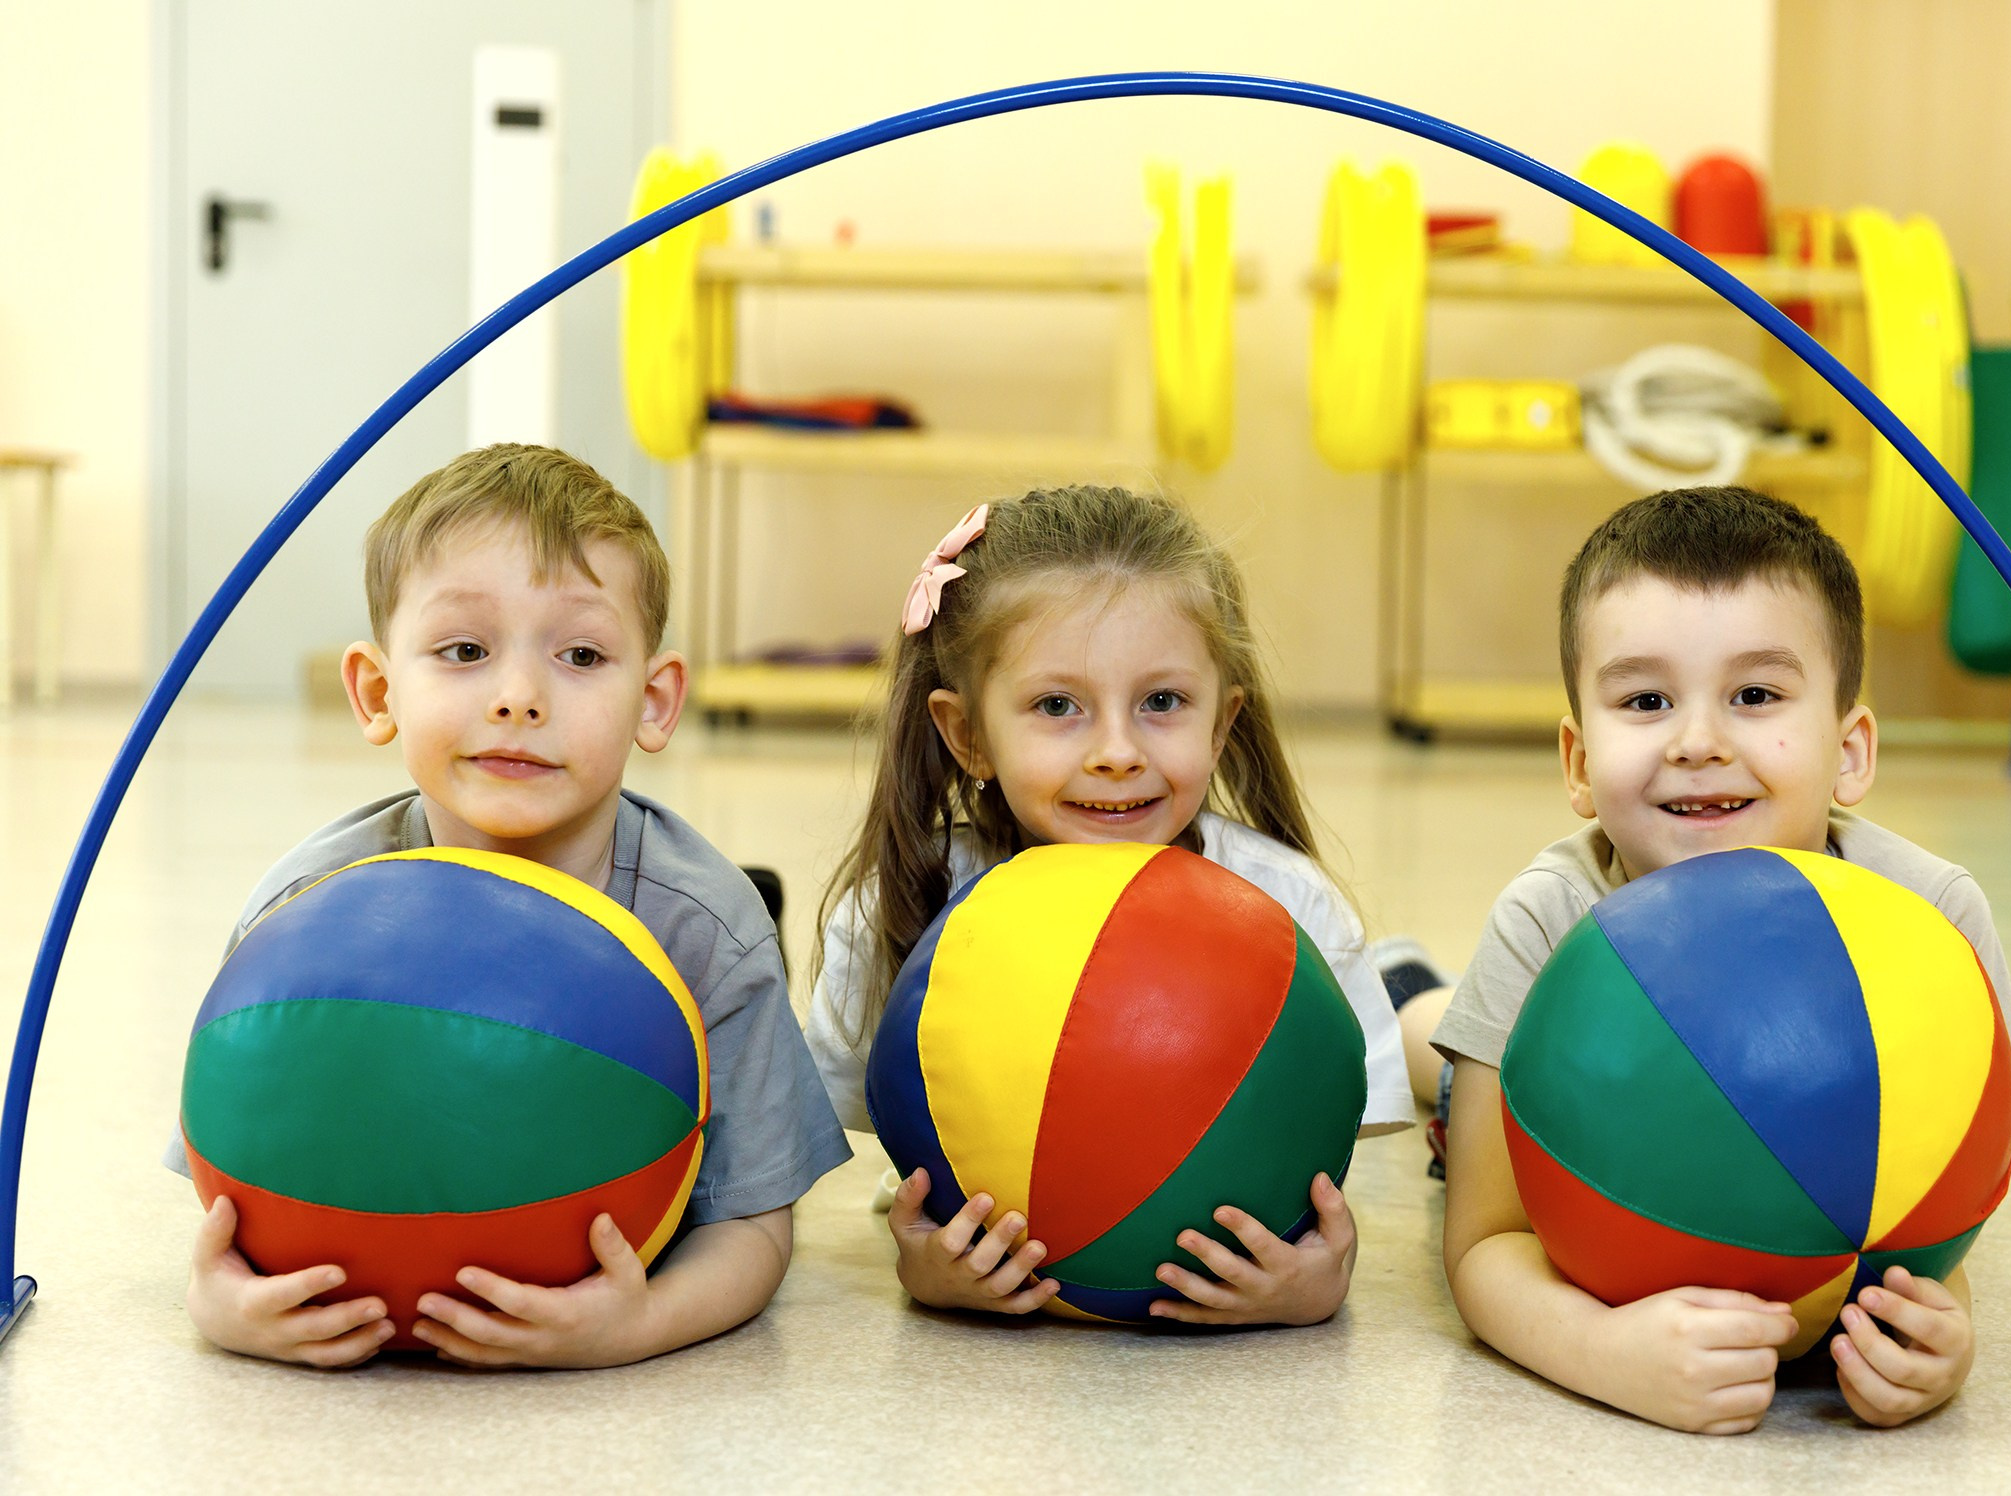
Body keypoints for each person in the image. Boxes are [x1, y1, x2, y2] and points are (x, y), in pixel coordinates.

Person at [174, 444, 850, 1368]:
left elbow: (755, 1229)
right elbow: (226, 1188)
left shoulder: (711, 930)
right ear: (377, 692)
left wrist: (640, 1325)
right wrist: (218, 1303)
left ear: (654, 702)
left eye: (581, 655)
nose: (519, 698)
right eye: (465, 651)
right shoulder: (299, 915)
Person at [1435, 486, 2011, 1433]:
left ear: (1850, 751)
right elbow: (1486, 1243)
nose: (1699, 742)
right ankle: (1419, 999)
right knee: (1434, 1046)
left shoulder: (1932, 914)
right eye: (1646, 700)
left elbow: (1938, 1205)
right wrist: (1602, 1352)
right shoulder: (1549, 917)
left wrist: (1938, 1332)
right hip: (1572, 1124)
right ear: (1579, 764)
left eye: (1755, 696)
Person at [807, 485, 1414, 1326]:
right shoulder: (904, 905)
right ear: (967, 734)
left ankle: (1412, 985)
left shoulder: (1287, 907)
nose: (1118, 753)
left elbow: (1334, 1153)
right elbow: (860, 1133)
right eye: (1057, 706)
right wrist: (924, 1266)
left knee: (1430, 1040)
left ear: (1221, 723)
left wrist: (1315, 1281)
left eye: (1162, 702)